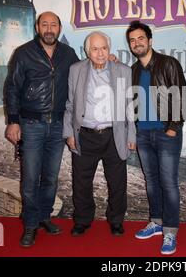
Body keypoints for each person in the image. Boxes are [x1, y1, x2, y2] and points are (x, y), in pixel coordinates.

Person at [4, 11, 80, 247]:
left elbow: (84, 75)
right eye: (44, 24)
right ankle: (30, 224)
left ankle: (44, 217)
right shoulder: (23, 53)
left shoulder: (69, 54)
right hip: (31, 125)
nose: (49, 29)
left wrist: (109, 62)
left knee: (50, 178)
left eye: (53, 25)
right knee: (30, 178)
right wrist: (13, 121)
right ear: (38, 27)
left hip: (58, 125)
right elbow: (12, 88)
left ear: (59, 28)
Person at [126, 20, 186, 255]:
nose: (137, 43)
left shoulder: (168, 64)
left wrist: (174, 127)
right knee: (151, 182)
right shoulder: (132, 70)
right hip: (143, 134)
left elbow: (183, 96)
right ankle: (156, 222)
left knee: (169, 183)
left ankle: (170, 232)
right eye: (132, 40)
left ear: (150, 40)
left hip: (166, 134)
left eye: (141, 38)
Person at [63, 31, 136, 236]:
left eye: (104, 48)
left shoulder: (123, 71)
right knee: (81, 182)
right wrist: (69, 133)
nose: (100, 53)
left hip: (114, 136)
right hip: (85, 135)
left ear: (109, 49)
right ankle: (83, 220)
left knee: (117, 182)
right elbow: (70, 105)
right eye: (95, 49)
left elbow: (130, 106)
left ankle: (116, 220)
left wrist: (132, 135)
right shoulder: (76, 70)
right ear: (87, 51)